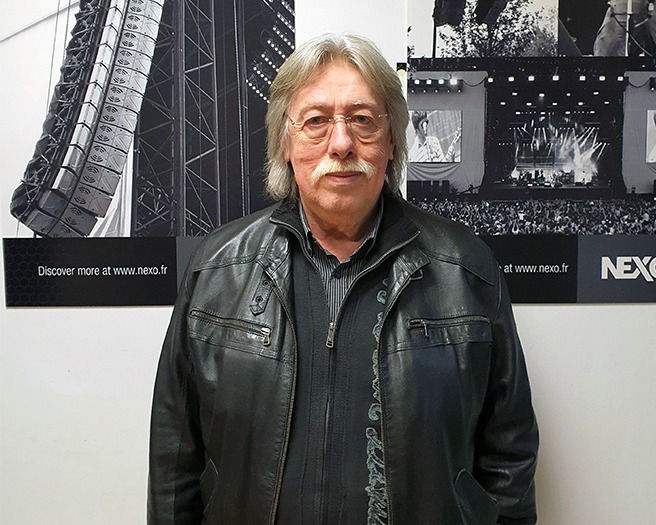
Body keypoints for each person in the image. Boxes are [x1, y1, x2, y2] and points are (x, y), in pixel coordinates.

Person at [148, 33, 538, 525]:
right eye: (316, 121)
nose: (341, 143)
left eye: (362, 120)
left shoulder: (465, 268)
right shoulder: (218, 268)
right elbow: (175, 453)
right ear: (285, 142)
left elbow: (509, 454)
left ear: (391, 141)